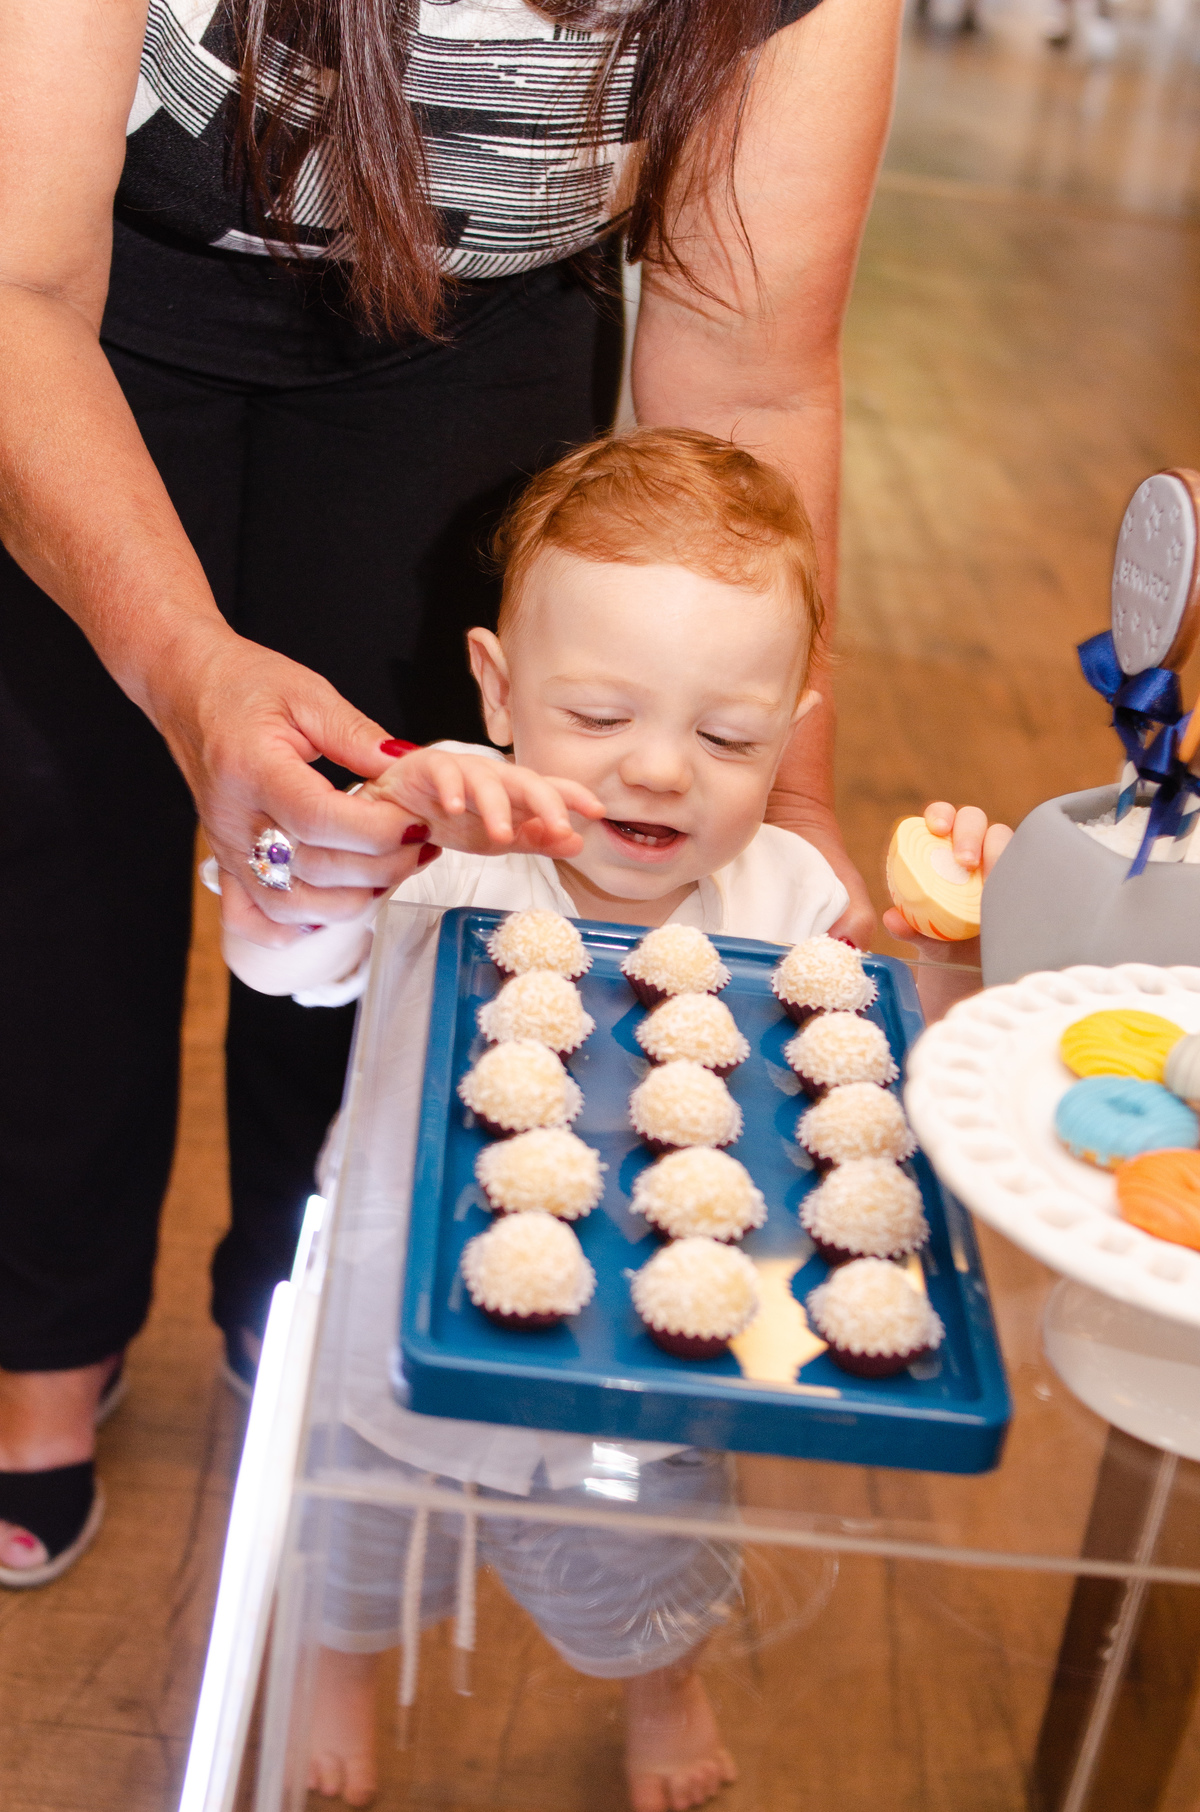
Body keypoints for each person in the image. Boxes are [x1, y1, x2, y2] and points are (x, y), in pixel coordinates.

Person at [0, 0, 904, 1580]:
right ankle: (40, 1340)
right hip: (92, 299)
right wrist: (188, 672)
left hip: (471, 330)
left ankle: (310, 1307)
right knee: (54, 838)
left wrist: (782, 797)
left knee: (415, 846)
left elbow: (753, 384)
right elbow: (13, 286)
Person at [221, 428, 1010, 1811]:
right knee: (356, 1534)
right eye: (598, 716)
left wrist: (955, 953)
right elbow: (274, 955)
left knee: (649, 1558)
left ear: (792, 729)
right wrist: (365, 834)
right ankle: (338, 1663)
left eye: (727, 737)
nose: (657, 771)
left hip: (652, 1341)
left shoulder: (789, 897)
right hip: (391, 1312)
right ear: (497, 689)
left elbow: (888, 1105)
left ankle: (664, 1682)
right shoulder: (440, 853)